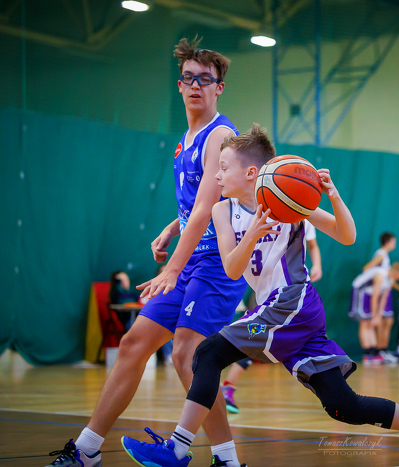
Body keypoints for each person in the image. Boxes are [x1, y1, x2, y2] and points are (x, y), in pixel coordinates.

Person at [120, 124, 399, 467]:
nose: (216, 175)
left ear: (251, 172)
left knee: (208, 353)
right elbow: (231, 268)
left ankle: (178, 450)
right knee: (343, 406)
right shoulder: (221, 210)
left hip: (293, 301)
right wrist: (252, 233)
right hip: (279, 312)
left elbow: (346, 235)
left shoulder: (287, 198)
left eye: (224, 168)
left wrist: (334, 197)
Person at [46, 38, 248, 467]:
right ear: (179, 86)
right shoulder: (186, 139)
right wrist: (172, 228)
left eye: (205, 79)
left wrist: (172, 267)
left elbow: (207, 210)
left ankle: (227, 460)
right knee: (134, 342)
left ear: (219, 88)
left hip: (216, 263)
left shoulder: (220, 135)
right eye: (188, 78)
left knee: (188, 355)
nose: (196, 85)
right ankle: (87, 450)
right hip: (192, 259)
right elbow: (197, 204)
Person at [221, 219, 323, 413]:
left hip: (290, 296)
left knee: (259, 342)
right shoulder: (256, 213)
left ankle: (334, 393)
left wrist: (317, 265)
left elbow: (313, 244)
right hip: (264, 292)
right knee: (251, 340)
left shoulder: (303, 216)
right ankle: (224, 386)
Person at [351, 262, 399, 365]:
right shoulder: (380, 275)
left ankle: (374, 353)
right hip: (360, 292)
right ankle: (367, 355)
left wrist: (378, 316)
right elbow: (375, 296)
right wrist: (374, 315)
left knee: (371, 324)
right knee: (365, 323)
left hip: (370, 295)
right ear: (397, 272)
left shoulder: (390, 279)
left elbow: (383, 298)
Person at [362, 232, 398, 363]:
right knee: (380, 322)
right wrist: (376, 280)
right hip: (377, 291)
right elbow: (366, 268)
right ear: (388, 242)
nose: (395, 245)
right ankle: (379, 350)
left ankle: (383, 350)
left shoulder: (385, 255)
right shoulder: (381, 254)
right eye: (394, 242)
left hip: (384, 291)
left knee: (387, 321)